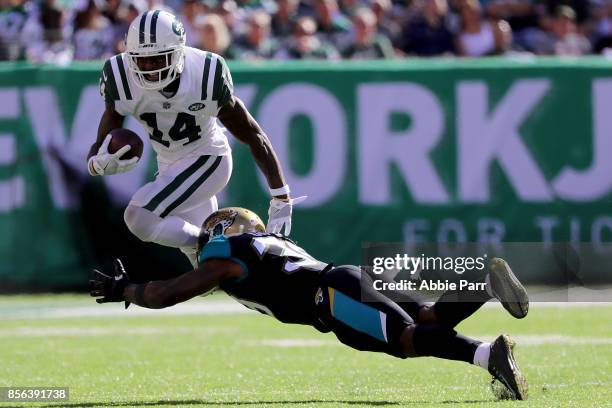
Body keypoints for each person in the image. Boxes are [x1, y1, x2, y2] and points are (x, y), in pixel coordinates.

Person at [90, 207, 529, 401]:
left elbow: (167, 294)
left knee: (408, 339)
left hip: (332, 297)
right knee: (429, 316)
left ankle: (488, 356)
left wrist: (124, 289)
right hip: (344, 279)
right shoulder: (265, 244)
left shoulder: (230, 255)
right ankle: (483, 284)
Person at [87, 11, 298, 268]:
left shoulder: (205, 73)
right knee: (207, 269)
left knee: (139, 216)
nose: (150, 69)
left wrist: (281, 196)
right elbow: (103, 140)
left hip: (208, 159)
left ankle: (225, 244)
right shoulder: (119, 76)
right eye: (142, 61)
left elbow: (254, 135)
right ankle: (245, 267)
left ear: (178, 52)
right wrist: (97, 163)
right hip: (169, 165)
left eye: (157, 59)